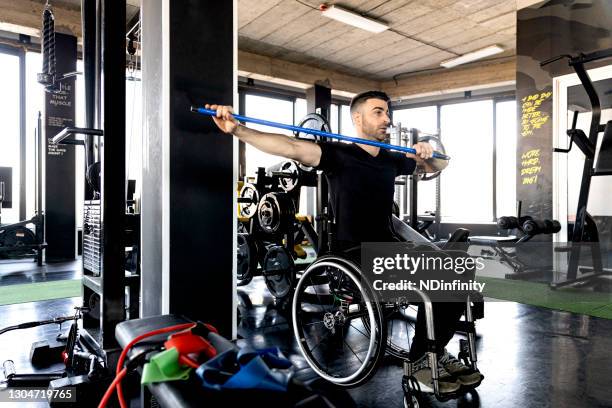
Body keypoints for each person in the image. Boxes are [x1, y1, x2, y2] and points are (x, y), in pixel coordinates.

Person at [206, 90, 482, 394]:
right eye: (378, 112)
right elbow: (291, 147)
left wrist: (428, 152)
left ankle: (433, 350)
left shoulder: (391, 159)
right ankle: (420, 363)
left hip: (389, 248)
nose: (386, 119)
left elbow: (437, 167)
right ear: (357, 118)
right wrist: (238, 130)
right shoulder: (339, 154)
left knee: (458, 270)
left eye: (388, 113)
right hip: (353, 256)